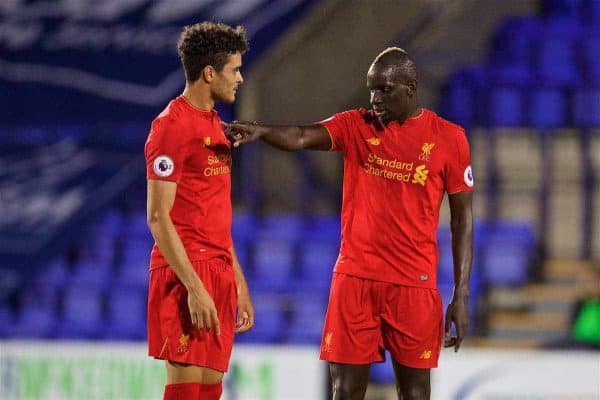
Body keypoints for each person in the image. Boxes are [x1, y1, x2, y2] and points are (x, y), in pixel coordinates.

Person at [225, 47, 474, 400]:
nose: (375, 98)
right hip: (355, 280)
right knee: (344, 392)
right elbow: (300, 135)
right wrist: (261, 131)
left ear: (411, 87)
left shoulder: (449, 138)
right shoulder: (356, 125)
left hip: (413, 285)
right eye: (371, 88)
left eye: (384, 90)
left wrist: (460, 294)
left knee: (416, 394)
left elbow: (463, 220)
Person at [144, 22, 254, 400]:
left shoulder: (215, 125)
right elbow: (158, 217)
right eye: (234, 69)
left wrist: (236, 280)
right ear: (209, 73)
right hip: (185, 271)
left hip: (217, 269)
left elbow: (215, 212)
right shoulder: (170, 127)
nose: (240, 78)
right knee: (186, 393)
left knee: (208, 393)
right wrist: (194, 287)